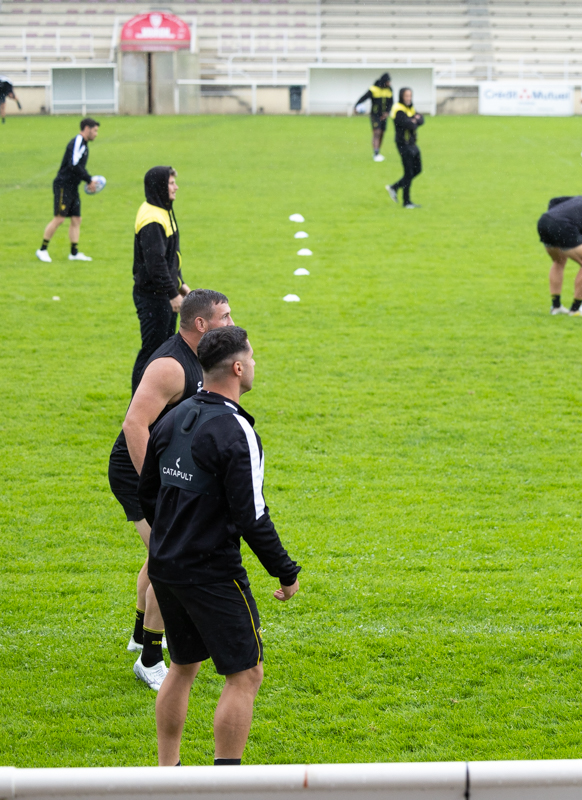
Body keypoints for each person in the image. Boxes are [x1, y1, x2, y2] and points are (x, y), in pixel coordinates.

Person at [138, 325, 301, 766]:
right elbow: (253, 515)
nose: (254, 366)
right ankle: (225, 784)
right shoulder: (235, 429)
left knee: (183, 667)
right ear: (237, 367)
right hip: (210, 572)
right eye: (252, 359)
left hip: (166, 566)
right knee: (246, 674)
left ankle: (166, 775)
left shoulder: (174, 416)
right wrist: (285, 572)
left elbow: (148, 491)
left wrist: (173, 537)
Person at [109, 290, 235, 691]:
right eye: (225, 317)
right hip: (137, 472)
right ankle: (150, 657)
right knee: (174, 559)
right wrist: (159, 486)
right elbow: (134, 424)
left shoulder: (200, 358)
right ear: (201, 324)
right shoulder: (170, 365)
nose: (232, 324)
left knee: (159, 551)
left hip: (166, 471)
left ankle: (136, 635)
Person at [132, 166, 189, 394]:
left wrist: (181, 283)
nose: (176, 187)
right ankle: (138, 402)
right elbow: (155, 263)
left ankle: (159, 400)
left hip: (162, 293)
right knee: (152, 351)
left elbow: (170, 256)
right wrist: (173, 294)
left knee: (165, 349)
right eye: (171, 183)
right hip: (153, 296)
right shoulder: (152, 218)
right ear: (159, 187)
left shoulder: (162, 210)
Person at [36, 117, 100, 263]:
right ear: (87, 129)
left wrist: (87, 179)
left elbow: (78, 167)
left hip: (73, 187)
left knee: (76, 219)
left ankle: (74, 253)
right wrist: (89, 179)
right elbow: (74, 164)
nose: (96, 134)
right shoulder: (78, 141)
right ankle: (42, 250)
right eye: (95, 130)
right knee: (59, 218)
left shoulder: (84, 145)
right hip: (63, 185)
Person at [385, 88, 424, 209]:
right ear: (401, 96)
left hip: (412, 144)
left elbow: (421, 119)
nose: (408, 98)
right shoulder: (398, 109)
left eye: (410, 96)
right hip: (403, 144)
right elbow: (408, 124)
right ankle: (406, 202)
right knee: (408, 173)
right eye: (406, 96)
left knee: (418, 170)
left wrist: (415, 120)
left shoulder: (410, 107)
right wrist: (414, 120)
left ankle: (394, 187)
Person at [356, 73, 392, 161]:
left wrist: (387, 112)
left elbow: (391, 102)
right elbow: (363, 97)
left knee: (382, 133)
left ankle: (378, 151)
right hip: (375, 115)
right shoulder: (373, 89)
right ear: (384, 81)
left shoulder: (389, 90)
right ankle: (375, 153)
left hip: (384, 116)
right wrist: (356, 106)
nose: (389, 83)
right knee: (377, 132)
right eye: (388, 82)